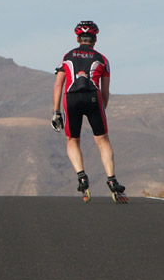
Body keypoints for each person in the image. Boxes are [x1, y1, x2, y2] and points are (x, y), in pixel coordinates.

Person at [51, 21, 126, 198]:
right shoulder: (102, 59)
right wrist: (101, 110)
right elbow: (106, 92)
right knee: (103, 141)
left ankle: (82, 177)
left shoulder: (68, 56)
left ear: (78, 38)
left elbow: (58, 86)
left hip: (71, 98)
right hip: (93, 97)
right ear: (95, 39)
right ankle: (112, 180)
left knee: (72, 139)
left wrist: (56, 113)